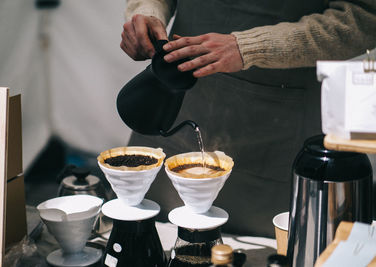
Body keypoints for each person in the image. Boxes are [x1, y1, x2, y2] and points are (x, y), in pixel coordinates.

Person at [121, 0, 376, 237]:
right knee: (147, 233)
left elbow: (363, 19)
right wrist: (146, 11)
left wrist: (250, 47)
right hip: (175, 100)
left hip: (273, 122)